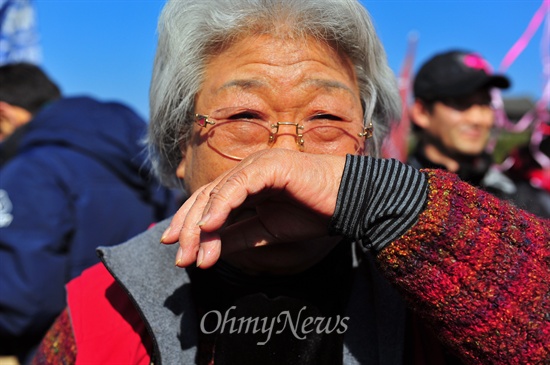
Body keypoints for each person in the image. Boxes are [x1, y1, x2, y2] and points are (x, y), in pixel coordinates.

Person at [32, 1, 550, 364]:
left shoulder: (430, 290)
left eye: (326, 119)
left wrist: (394, 204)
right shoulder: (100, 305)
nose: (286, 160)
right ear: (179, 149)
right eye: (243, 117)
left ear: (367, 151)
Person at [0, 63, 178, 363]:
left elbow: (21, 299)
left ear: (4, 113)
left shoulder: (31, 171)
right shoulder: (141, 165)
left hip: (62, 348)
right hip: (146, 345)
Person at [408, 50, 549, 216]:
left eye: (485, 103)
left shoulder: (523, 201)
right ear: (421, 112)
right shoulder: (397, 196)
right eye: (460, 103)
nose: (477, 119)